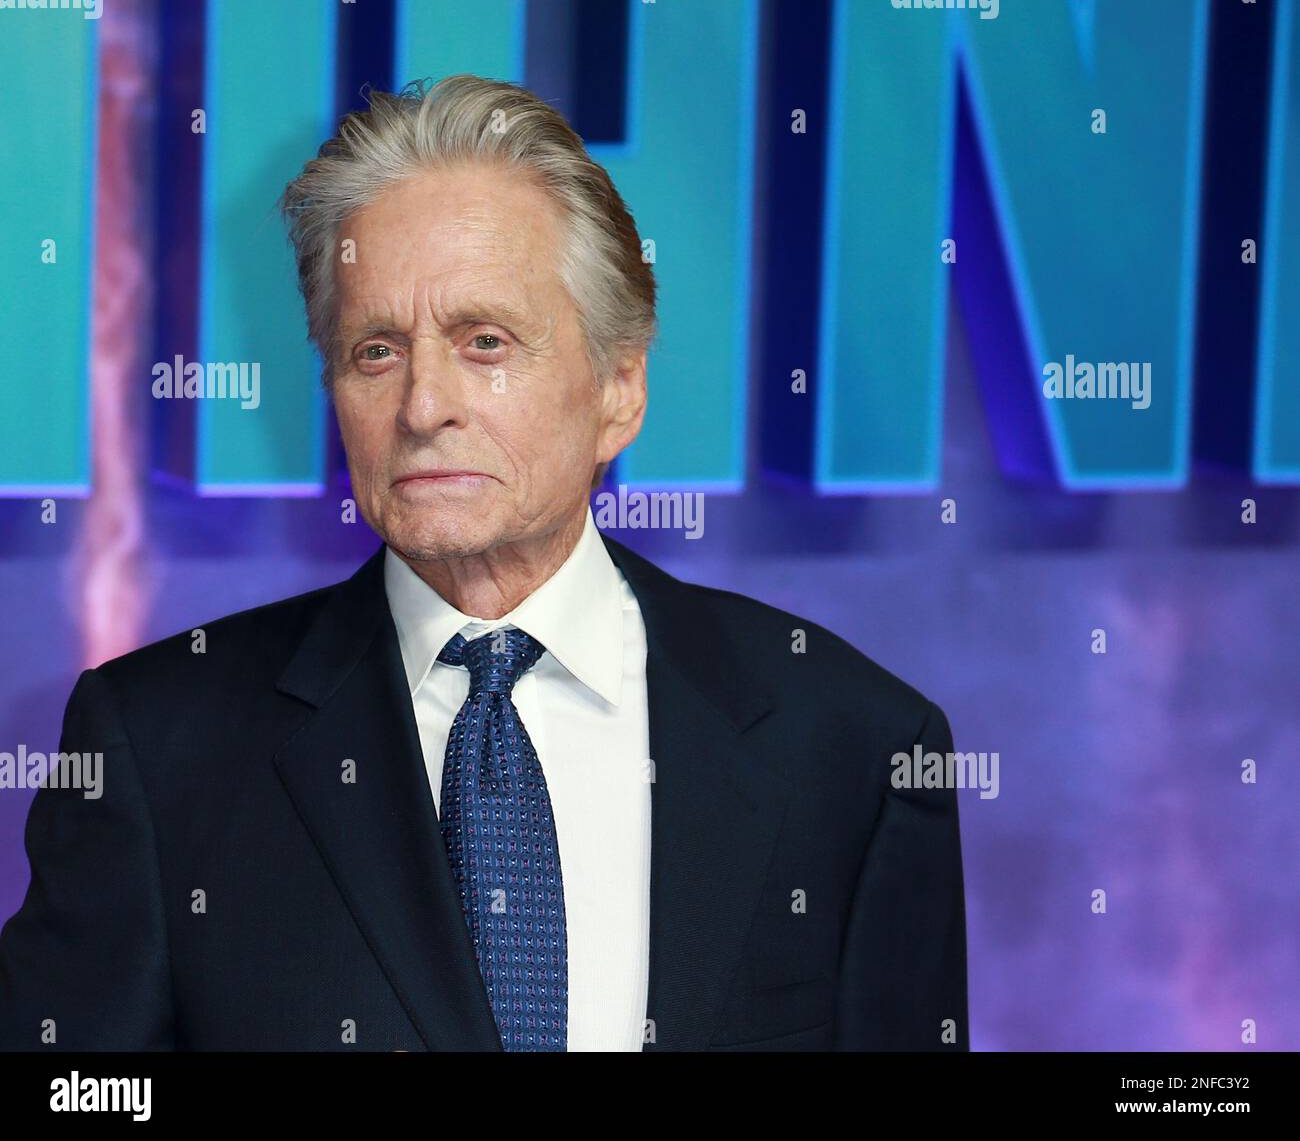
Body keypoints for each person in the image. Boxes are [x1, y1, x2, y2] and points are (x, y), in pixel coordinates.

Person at [0, 74, 968, 1051]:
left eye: (485, 342)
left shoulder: (852, 747)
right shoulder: (159, 751)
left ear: (620, 388)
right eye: (375, 351)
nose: (423, 407)